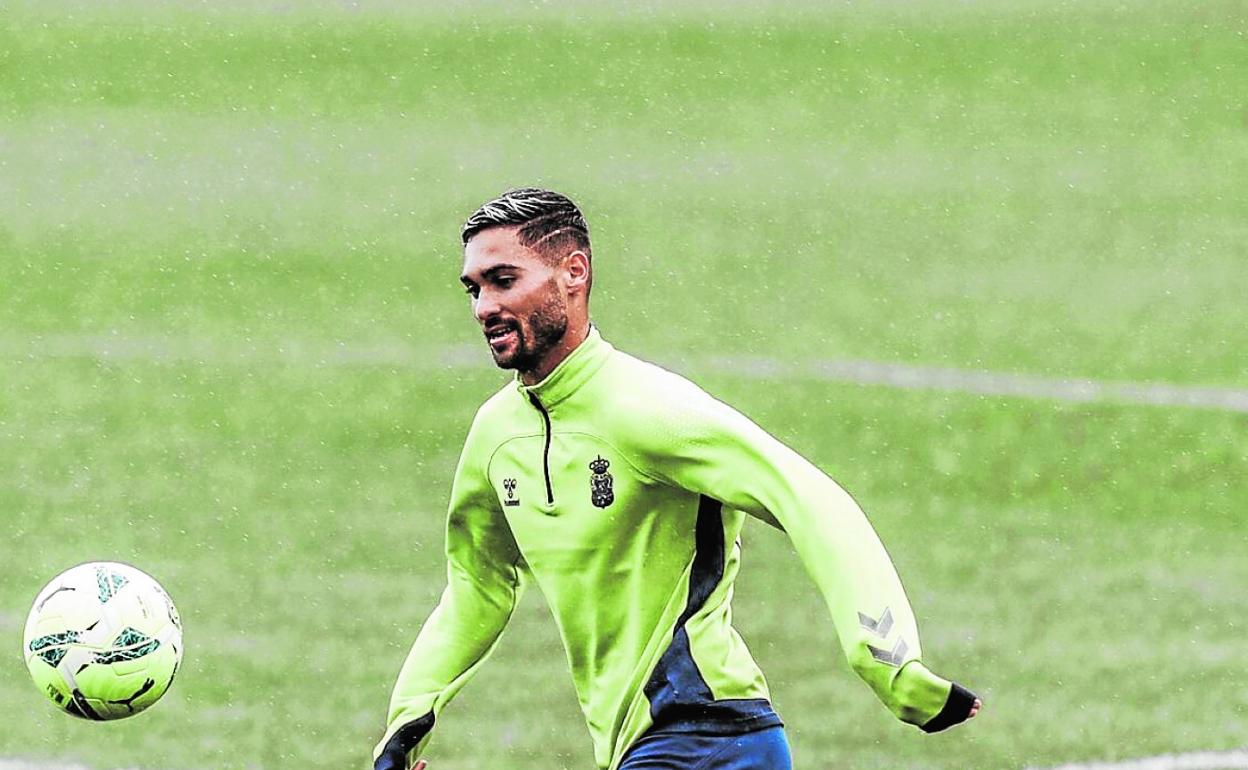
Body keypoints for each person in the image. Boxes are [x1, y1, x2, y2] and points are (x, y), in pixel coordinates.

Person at [373, 188, 981, 770]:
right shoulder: (495, 434)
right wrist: (408, 721)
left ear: (574, 273)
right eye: (473, 289)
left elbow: (810, 500)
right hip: (644, 748)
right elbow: (477, 585)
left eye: (504, 281)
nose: (484, 307)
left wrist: (890, 664)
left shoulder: (649, 410)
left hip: (709, 734)